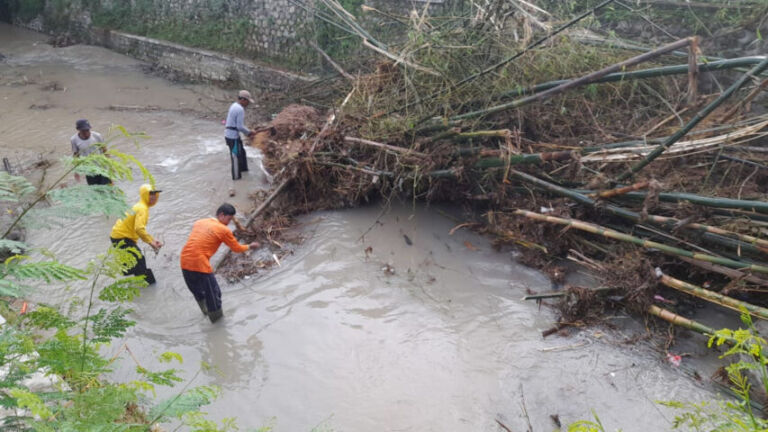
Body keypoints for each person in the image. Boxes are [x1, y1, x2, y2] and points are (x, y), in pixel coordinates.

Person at [180, 203, 260, 323]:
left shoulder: (200, 222)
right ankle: (218, 325)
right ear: (221, 215)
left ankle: (206, 314)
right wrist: (250, 246)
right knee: (213, 295)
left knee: (199, 292)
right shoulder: (223, 230)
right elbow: (236, 248)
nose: (228, 223)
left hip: (184, 262)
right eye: (228, 219)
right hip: (200, 264)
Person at [110, 184, 163, 284]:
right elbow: (139, 228)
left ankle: (139, 286)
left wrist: (151, 240)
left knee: (135, 263)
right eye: (150, 193)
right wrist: (151, 242)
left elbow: (138, 228)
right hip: (121, 237)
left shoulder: (140, 205)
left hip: (117, 236)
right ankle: (150, 288)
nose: (154, 196)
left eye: (155, 193)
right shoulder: (142, 208)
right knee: (139, 261)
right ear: (144, 194)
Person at [224, 90, 257, 180]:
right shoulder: (239, 109)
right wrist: (249, 133)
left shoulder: (234, 105)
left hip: (232, 135)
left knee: (242, 153)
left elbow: (238, 125)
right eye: (247, 102)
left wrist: (248, 131)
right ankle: (236, 179)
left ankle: (244, 172)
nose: (248, 104)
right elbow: (239, 126)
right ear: (243, 100)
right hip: (232, 137)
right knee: (235, 158)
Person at [70, 119, 111, 185]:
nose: (86, 132)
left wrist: (110, 166)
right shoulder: (74, 140)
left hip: (102, 168)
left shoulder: (97, 136)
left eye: (87, 130)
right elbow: (76, 156)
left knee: (107, 189)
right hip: (89, 171)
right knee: (95, 191)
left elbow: (105, 151)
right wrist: (76, 171)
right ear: (78, 130)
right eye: (83, 131)